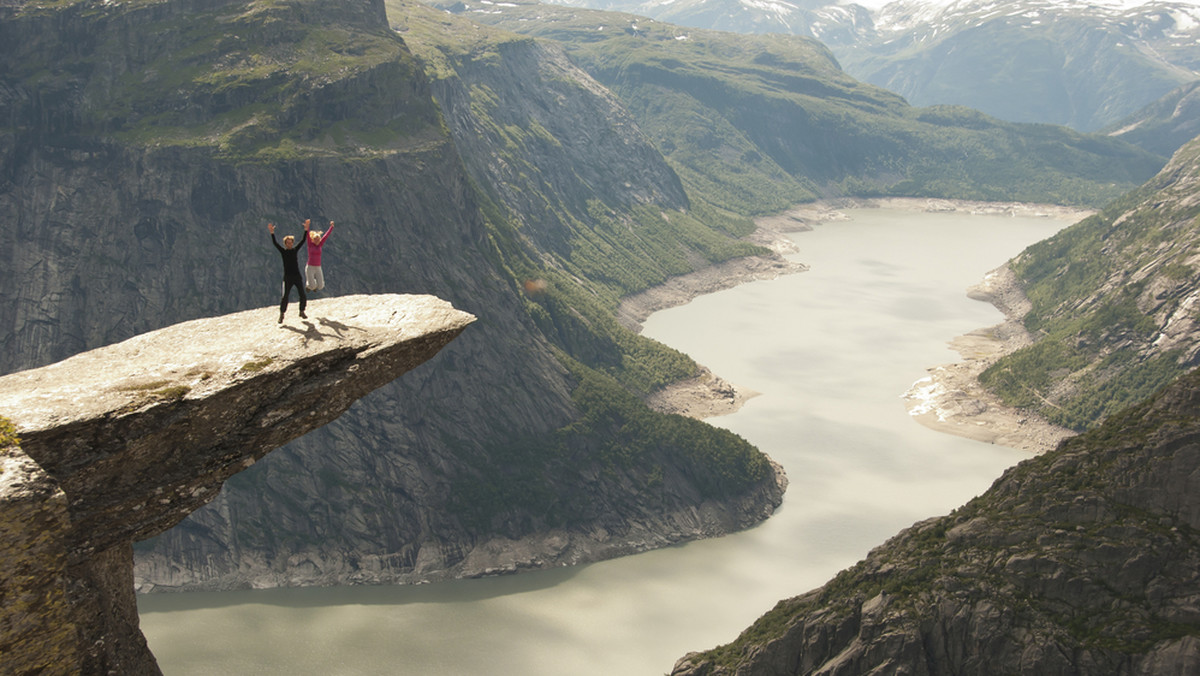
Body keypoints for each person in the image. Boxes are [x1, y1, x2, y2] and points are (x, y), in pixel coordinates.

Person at [269, 220, 309, 323]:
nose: (289, 244)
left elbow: (303, 241)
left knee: (302, 295)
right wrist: (272, 233)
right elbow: (275, 243)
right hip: (287, 277)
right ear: (285, 244)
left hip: (297, 276)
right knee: (285, 297)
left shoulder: (295, 250)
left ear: (292, 243)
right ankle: (282, 314)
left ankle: (302, 311)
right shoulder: (283, 252)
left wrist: (306, 229)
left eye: (291, 242)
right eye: (287, 243)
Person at [305, 220, 335, 292]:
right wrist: (307, 226)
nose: (317, 241)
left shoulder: (320, 245)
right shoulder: (310, 244)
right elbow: (307, 236)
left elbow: (326, 236)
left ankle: (312, 283)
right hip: (310, 267)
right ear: (313, 240)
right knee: (312, 286)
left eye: (318, 239)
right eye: (315, 239)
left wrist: (331, 227)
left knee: (321, 286)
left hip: (318, 267)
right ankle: (308, 285)